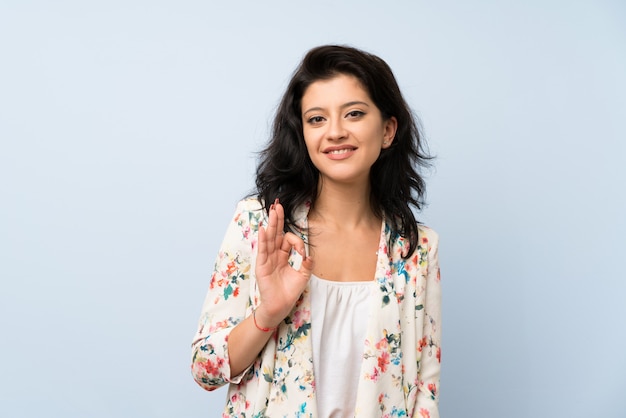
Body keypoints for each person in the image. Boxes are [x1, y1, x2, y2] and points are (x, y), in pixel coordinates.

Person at [191, 45, 441, 418]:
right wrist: (269, 313)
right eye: (317, 119)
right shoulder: (261, 225)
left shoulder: (416, 247)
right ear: (303, 133)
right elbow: (205, 370)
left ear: (388, 130)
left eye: (354, 114)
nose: (336, 132)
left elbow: (424, 394)